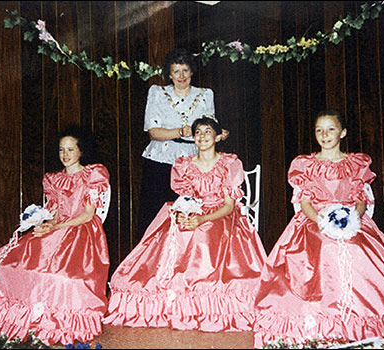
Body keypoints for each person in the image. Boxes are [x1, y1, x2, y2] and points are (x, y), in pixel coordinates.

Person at [252, 110, 384, 348]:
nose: (324, 135)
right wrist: (322, 221)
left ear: (343, 132)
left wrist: (353, 218)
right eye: (319, 130)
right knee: (324, 246)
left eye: (331, 129)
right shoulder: (305, 164)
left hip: (352, 220)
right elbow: (304, 202)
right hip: (314, 221)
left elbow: (360, 199)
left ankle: (363, 319)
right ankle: (322, 319)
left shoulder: (356, 162)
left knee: (357, 247)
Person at [0, 125, 111, 346]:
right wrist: (45, 224)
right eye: (61, 150)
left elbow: (88, 215)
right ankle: (6, 318)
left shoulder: (93, 174)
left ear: (81, 151)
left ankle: (53, 319)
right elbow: (56, 211)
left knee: (62, 277)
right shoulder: (53, 179)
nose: (65, 155)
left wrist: (56, 227)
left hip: (81, 232)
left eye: (70, 149)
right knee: (1, 265)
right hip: (56, 229)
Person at [104, 116, 266, 332]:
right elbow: (186, 199)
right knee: (177, 229)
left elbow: (228, 206)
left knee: (204, 233)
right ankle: (172, 297)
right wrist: (186, 215)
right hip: (194, 210)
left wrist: (201, 219)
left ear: (217, 136)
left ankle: (205, 297)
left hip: (221, 215)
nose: (202, 136)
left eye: (208, 131)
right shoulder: (184, 165)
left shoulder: (229, 164)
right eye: (198, 132)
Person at [137, 47, 229, 246]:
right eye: (176, 71)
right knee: (156, 216)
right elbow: (153, 132)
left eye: (185, 70)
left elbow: (210, 126)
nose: (181, 76)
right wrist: (180, 131)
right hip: (160, 161)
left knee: (189, 214)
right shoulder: (157, 93)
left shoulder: (205, 94)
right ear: (169, 74)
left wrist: (219, 134)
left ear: (192, 72)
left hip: (194, 163)